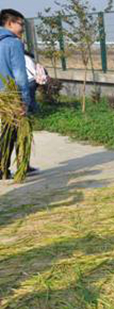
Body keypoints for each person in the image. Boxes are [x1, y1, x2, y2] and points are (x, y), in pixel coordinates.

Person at [0, 8, 31, 180]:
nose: (22, 27)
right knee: (15, 130)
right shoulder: (13, 43)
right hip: (11, 95)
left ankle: (16, 166)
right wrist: (24, 100)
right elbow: (20, 75)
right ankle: (17, 166)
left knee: (9, 130)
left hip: (1, 96)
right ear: (10, 23)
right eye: (20, 23)